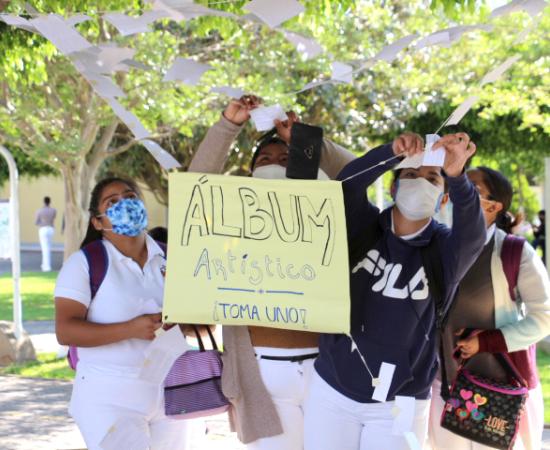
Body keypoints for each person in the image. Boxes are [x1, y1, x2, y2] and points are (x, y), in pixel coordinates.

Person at [191, 95, 355, 449]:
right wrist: (228, 125)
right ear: (250, 173)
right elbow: (196, 185)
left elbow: (356, 171)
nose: (274, 162)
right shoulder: (230, 222)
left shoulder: (320, 215)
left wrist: (306, 140)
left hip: (326, 369)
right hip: (261, 373)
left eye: (285, 157)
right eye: (264, 158)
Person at [303, 132, 486, 449]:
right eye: (411, 175)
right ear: (393, 187)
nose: (421, 182)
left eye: (433, 178)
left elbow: (473, 235)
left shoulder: (445, 249)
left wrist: (457, 175)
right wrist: (390, 153)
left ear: (444, 198)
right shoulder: (364, 226)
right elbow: (347, 185)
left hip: (401, 403)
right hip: (332, 388)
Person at [54, 178, 189, 450]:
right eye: (112, 202)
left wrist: (183, 320)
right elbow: (65, 330)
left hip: (171, 391)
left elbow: (204, 322)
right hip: (107, 396)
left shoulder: (173, 258)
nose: (124, 204)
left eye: (130, 196)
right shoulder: (84, 263)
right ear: (98, 222)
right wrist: (130, 329)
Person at [429, 167, 550, 450]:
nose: (456, 192)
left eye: (471, 188)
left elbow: (544, 318)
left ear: (494, 206)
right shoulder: (437, 247)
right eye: (455, 185)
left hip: (499, 392)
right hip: (444, 388)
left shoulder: (515, 252)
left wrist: (486, 341)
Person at [35, 196, 56, 271]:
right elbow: (53, 218)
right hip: (50, 228)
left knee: (44, 248)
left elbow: (36, 222)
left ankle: (46, 266)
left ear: (44, 202)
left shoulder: (39, 211)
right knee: (48, 248)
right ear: (49, 202)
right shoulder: (53, 210)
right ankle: (45, 265)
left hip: (43, 229)